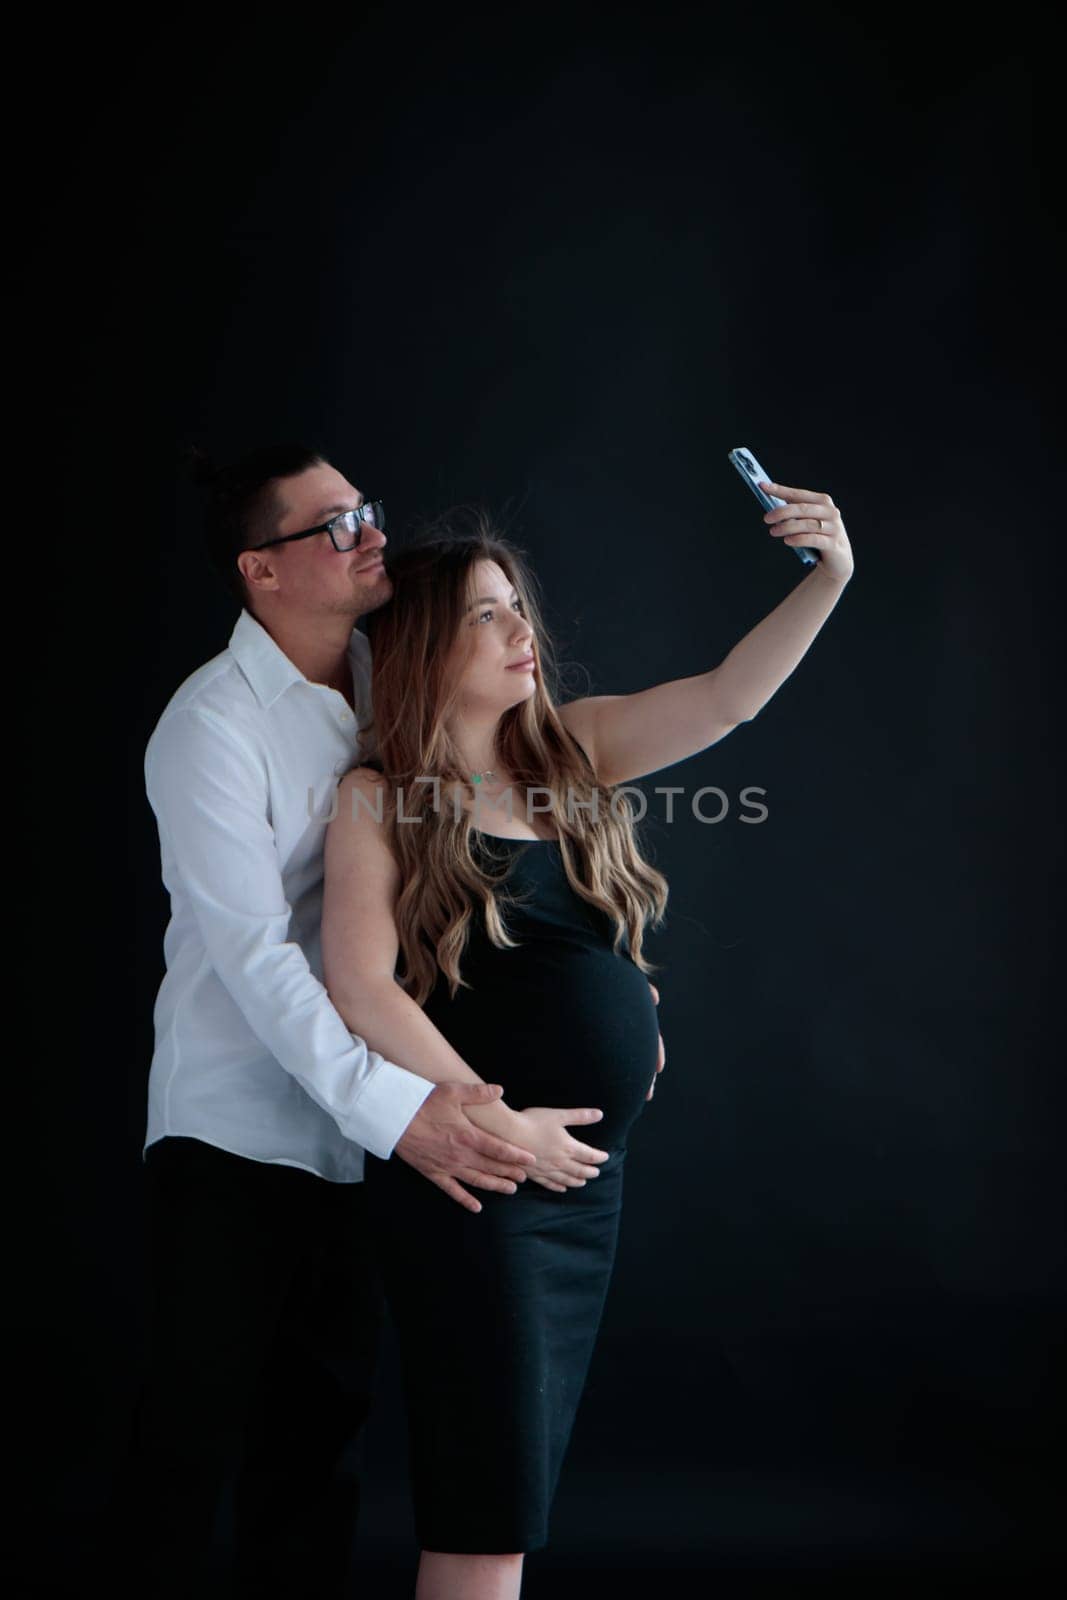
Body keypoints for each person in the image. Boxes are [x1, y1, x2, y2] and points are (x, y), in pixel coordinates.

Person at [104, 442, 632, 1600]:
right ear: (262, 570)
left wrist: (610, 980)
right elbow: (257, 958)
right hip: (242, 1130)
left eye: (367, 511)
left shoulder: (398, 674)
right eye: (334, 525)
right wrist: (417, 1113)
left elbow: (479, 864)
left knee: (317, 1445)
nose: (371, 534)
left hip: (368, 1139)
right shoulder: (211, 725)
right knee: (192, 1438)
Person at [320, 493, 854, 1600]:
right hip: (475, 1177)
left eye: (519, 608)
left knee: (511, 1497)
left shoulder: (570, 754)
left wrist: (826, 578)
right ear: (423, 642)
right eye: (487, 616)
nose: (523, 632)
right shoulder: (381, 797)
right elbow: (360, 987)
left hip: (575, 1193)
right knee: (487, 1498)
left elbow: (725, 700)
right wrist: (487, 1110)